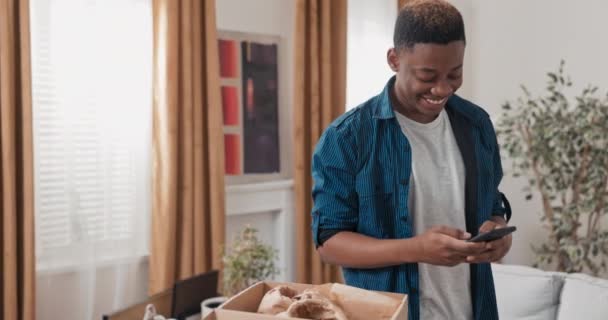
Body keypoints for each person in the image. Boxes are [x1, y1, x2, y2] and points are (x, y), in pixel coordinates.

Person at [310, 1, 512, 319]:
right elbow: (329, 242)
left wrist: (498, 234)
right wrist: (417, 249)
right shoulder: (348, 137)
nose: (443, 88)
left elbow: (493, 206)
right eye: (427, 75)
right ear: (394, 59)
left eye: (454, 73)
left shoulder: (477, 124)